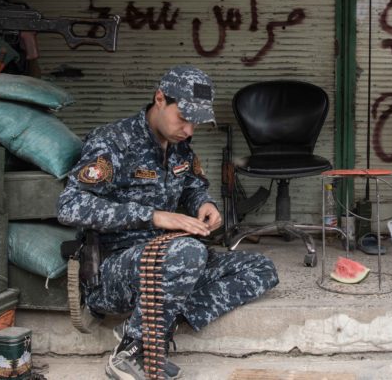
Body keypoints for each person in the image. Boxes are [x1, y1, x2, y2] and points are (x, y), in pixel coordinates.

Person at [58, 65, 279, 379]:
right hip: (115, 269)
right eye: (184, 118)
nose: (189, 130)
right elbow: (70, 205)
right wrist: (152, 216)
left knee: (261, 269)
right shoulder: (112, 143)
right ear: (159, 99)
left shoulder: (180, 147)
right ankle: (131, 351)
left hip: (171, 261)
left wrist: (204, 204)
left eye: (196, 123)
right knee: (188, 251)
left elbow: (191, 185)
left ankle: (155, 321)